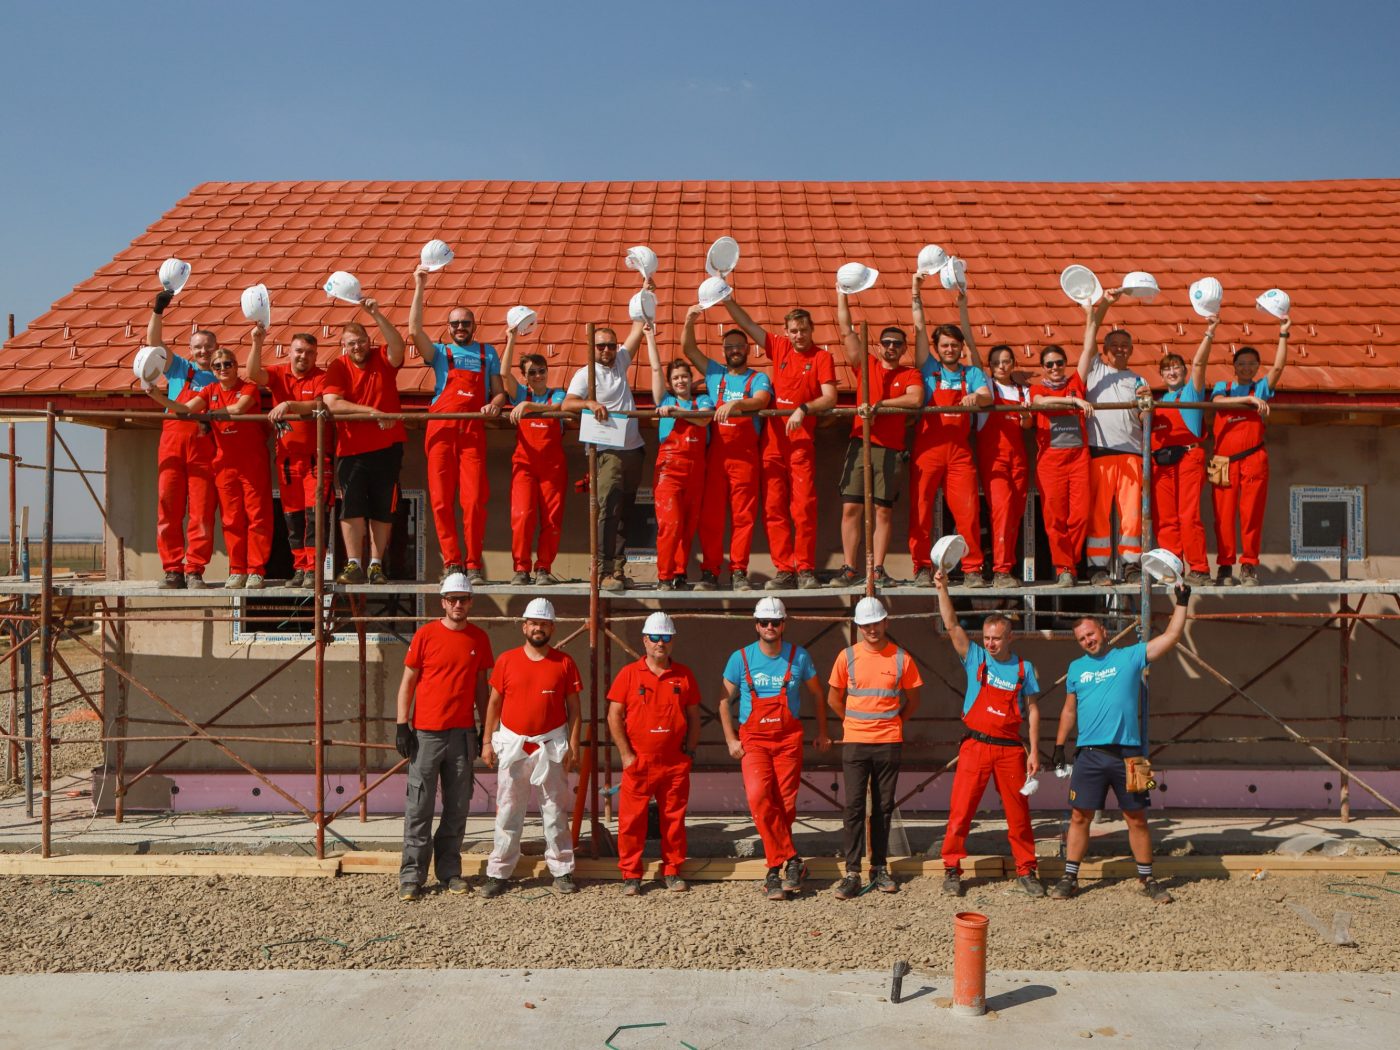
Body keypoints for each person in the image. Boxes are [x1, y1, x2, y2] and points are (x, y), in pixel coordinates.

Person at [1050, 582, 1192, 904]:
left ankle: (1148, 880)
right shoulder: (1076, 668)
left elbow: (1170, 638)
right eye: (1081, 639)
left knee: (1137, 818)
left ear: (1102, 629)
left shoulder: (1131, 656)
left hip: (1132, 753)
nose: (1088, 641)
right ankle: (1069, 877)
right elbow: (1069, 710)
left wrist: (1182, 603)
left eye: (1091, 633)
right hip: (1089, 754)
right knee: (1078, 817)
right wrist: (1058, 748)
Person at [933, 571, 1044, 897]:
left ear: (1011, 637)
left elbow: (1034, 710)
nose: (990, 643)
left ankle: (1027, 870)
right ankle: (952, 869)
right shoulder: (975, 658)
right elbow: (953, 625)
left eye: (997, 638)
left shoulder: (1025, 669)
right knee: (961, 811)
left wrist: (1034, 751)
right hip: (975, 747)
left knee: (1019, 815)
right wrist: (942, 589)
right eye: (987, 637)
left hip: (1011, 750)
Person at [722, 291, 838, 590]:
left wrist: (804, 408)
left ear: (812, 330)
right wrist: (726, 296)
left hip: (800, 441)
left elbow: (830, 397)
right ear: (786, 332)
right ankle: (785, 569)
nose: (799, 335)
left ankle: (806, 569)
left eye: (804, 330)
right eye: (794, 331)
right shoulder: (780, 347)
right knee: (773, 508)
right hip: (773, 443)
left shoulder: (822, 357)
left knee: (803, 507)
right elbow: (747, 324)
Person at [718, 597, 831, 901]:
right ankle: (791, 859)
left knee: (786, 805)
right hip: (753, 741)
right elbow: (722, 702)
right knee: (758, 798)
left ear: (784, 624)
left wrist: (822, 732)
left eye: (775, 622)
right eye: (764, 622)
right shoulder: (740, 658)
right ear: (756, 625)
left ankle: (774, 871)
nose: (770, 627)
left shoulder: (799, 657)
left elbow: (819, 696)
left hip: (787, 741)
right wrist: (731, 739)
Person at [394, 572, 494, 902]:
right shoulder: (425, 636)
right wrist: (402, 724)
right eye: (452, 599)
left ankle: (450, 871)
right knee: (419, 805)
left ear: (470, 603)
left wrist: (485, 730)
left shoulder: (478, 639)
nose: (458, 605)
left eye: (463, 599)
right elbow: (408, 681)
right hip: (426, 734)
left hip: (462, 734)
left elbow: (482, 687)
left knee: (457, 807)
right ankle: (412, 875)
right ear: (443, 602)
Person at [142, 344, 273, 588]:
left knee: (257, 517)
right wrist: (156, 396)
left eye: (228, 364)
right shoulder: (210, 389)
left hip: (251, 462)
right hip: (224, 462)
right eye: (217, 365)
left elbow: (239, 408)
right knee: (230, 519)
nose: (223, 369)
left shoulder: (249, 387)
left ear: (236, 366)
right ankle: (237, 569)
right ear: (212, 370)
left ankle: (256, 569)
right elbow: (185, 409)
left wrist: (210, 415)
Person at [478, 598, 582, 898]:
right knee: (509, 812)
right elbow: (494, 704)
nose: (538, 628)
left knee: (554, 812)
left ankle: (562, 870)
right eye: (534, 623)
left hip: (551, 746)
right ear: (525, 626)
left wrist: (573, 746)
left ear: (552, 627)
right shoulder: (507, 661)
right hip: (514, 746)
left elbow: (575, 709)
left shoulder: (564, 663)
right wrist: (487, 741)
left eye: (544, 623)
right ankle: (499, 872)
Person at [410, 266, 506, 584]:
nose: (460, 327)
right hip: (440, 429)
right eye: (455, 324)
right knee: (439, 500)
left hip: (472, 430)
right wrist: (419, 286)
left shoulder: (487, 351)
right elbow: (414, 331)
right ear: (448, 328)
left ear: (474, 325)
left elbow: (500, 391)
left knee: (474, 500)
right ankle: (452, 562)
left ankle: (473, 562)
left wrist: (496, 403)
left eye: (465, 323)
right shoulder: (440, 352)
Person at [826, 596, 922, 899]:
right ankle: (852, 871)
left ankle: (880, 867)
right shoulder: (847, 657)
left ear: (885, 623)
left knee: (882, 807)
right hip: (855, 742)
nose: (872, 629)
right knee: (854, 807)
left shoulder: (901, 658)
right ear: (858, 626)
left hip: (888, 743)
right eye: (866, 624)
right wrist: (853, 723)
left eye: (876, 623)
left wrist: (893, 724)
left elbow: (913, 700)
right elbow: (833, 698)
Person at [829, 291, 923, 587]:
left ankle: (878, 568)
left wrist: (880, 406)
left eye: (897, 344)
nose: (891, 348)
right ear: (879, 346)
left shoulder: (909, 375)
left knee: (883, 510)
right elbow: (845, 330)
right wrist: (841, 295)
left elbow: (916, 399)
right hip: (861, 444)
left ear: (903, 348)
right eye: (886, 343)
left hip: (891, 450)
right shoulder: (866, 365)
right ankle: (848, 567)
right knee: (852, 507)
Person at [606, 611, 702, 895]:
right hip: (639, 761)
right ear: (645, 641)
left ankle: (672, 870)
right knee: (631, 821)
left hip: (674, 762)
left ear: (673, 642)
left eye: (666, 638)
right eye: (656, 638)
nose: (661, 643)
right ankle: (631, 875)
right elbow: (614, 716)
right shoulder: (628, 674)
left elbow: (694, 717)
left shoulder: (684, 675)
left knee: (673, 820)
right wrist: (626, 755)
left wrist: (690, 752)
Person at [679, 306, 772, 592]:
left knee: (744, 517)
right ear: (724, 350)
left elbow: (762, 400)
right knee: (711, 518)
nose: (734, 351)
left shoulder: (757, 378)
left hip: (745, 457)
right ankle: (710, 571)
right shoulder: (714, 373)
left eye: (738, 346)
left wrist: (737, 405)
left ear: (747, 349)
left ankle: (739, 572)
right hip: (716, 457)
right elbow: (688, 349)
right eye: (729, 347)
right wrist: (689, 320)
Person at [909, 277, 991, 587]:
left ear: (960, 348)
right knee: (920, 512)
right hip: (927, 450)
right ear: (937, 348)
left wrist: (976, 397)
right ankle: (920, 568)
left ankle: (971, 570)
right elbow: (918, 327)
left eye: (954, 345)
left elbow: (987, 395)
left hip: (959, 452)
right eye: (944, 345)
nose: (950, 349)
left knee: (967, 511)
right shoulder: (927, 368)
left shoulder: (972, 372)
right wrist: (916, 291)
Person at [321, 297, 407, 585]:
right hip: (351, 449)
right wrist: (373, 412)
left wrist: (377, 313)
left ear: (368, 341)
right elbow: (332, 404)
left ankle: (375, 565)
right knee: (352, 507)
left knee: (384, 508)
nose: (356, 347)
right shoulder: (339, 366)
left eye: (360, 341)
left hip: (387, 447)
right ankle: (354, 564)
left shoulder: (381, 357)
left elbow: (398, 347)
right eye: (350, 343)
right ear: (343, 346)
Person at [562, 318, 647, 592]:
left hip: (632, 448)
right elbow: (568, 403)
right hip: (607, 450)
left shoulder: (621, 361)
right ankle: (601, 569)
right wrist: (590, 402)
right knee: (607, 510)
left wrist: (645, 291)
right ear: (592, 348)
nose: (607, 351)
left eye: (611, 345)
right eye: (601, 346)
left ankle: (618, 568)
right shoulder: (585, 373)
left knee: (626, 511)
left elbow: (637, 329)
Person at [247, 325, 334, 587]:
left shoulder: (322, 376)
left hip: (316, 460)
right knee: (293, 517)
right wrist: (257, 342)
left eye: (309, 352)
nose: (303, 357)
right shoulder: (279, 373)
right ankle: (300, 567)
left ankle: (313, 569)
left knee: (315, 515)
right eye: (298, 351)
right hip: (286, 460)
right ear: (289, 352)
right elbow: (253, 374)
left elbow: (321, 404)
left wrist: (288, 404)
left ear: (315, 356)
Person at [143, 289, 217, 588]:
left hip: (203, 444)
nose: (203, 352)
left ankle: (195, 569)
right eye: (198, 347)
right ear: (191, 349)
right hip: (172, 441)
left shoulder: (222, 376)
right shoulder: (179, 367)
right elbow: (154, 343)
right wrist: (158, 310)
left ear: (216, 349)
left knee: (201, 511)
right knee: (168, 507)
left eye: (208, 347)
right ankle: (172, 569)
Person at [1210, 315, 1290, 586]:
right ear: (1234, 366)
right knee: (1222, 516)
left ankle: (1249, 566)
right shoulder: (1225, 387)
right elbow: (1219, 402)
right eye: (1241, 363)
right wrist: (1249, 400)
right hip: (1223, 461)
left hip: (1254, 457)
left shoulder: (1262, 387)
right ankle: (1224, 567)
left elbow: (1279, 367)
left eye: (1251, 364)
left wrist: (1283, 334)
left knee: (1251, 514)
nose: (1245, 368)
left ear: (1257, 367)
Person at [1079, 290, 1150, 585]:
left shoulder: (1139, 380)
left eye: (1125, 346)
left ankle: (1131, 566)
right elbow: (1091, 329)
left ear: (1131, 351)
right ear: (1105, 350)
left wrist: (1147, 407)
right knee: (1097, 514)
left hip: (1132, 453)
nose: (1120, 350)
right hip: (1100, 453)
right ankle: (1097, 568)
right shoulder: (1096, 369)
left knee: (1132, 517)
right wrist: (1106, 303)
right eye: (1115, 346)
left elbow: (1146, 420)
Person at [1151, 315, 1218, 586]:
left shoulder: (1192, 392)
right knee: (1165, 518)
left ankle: (1199, 569)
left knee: (1188, 516)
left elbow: (1200, 362)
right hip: (1162, 463)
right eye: (1167, 369)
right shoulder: (1156, 401)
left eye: (1176, 367)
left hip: (1189, 457)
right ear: (1162, 375)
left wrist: (1209, 332)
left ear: (1184, 371)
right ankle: (1171, 568)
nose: (1172, 372)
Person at [647, 324, 714, 590]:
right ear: (671, 383)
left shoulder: (703, 402)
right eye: (675, 378)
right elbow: (654, 369)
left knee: (688, 527)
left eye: (684, 377)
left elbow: (705, 420)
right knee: (671, 524)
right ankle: (664, 575)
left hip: (696, 471)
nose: (681, 382)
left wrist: (677, 412)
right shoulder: (663, 401)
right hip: (669, 471)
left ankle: (679, 573)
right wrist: (650, 336)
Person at [499, 338, 569, 587]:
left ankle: (544, 568)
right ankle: (521, 568)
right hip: (525, 466)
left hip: (553, 467)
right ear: (525, 377)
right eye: (532, 372)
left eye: (542, 371)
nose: (538, 376)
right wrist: (511, 338)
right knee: (522, 516)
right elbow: (503, 373)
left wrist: (527, 406)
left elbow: (560, 406)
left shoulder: (556, 394)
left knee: (552, 519)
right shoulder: (519, 392)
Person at [1030, 346, 1094, 586]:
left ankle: (1071, 561)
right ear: (1043, 368)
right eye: (1049, 364)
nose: (1055, 368)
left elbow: (1088, 349)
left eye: (1059, 363)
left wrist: (1091, 314)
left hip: (1078, 460)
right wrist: (1074, 400)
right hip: (1050, 462)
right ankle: (1064, 568)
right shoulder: (1038, 388)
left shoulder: (1076, 381)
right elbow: (1040, 402)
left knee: (1080, 516)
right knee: (1054, 518)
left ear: (1066, 363)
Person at [975, 345, 1033, 588]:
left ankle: (1006, 567)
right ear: (989, 365)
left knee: (1015, 516)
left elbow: (1028, 426)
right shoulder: (986, 386)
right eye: (997, 361)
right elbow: (971, 351)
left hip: (1018, 460)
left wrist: (1026, 416)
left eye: (1007, 361)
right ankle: (1000, 571)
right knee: (1002, 511)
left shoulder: (1023, 391)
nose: (1002, 365)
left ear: (1013, 363)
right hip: (994, 459)